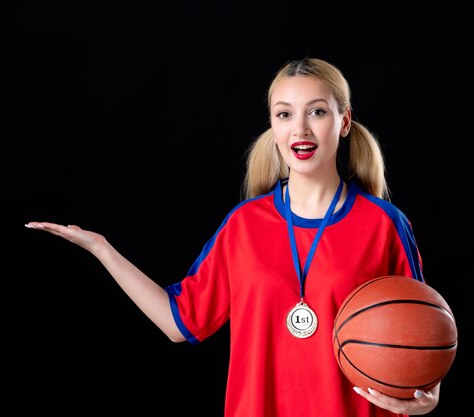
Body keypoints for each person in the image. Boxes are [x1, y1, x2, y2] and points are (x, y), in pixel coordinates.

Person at [25, 58, 440, 417]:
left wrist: (430, 392)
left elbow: (424, 331)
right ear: (272, 125)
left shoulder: (383, 224)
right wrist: (101, 248)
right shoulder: (244, 225)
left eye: (317, 112)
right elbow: (179, 321)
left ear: (344, 121)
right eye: (284, 114)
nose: (300, 128)